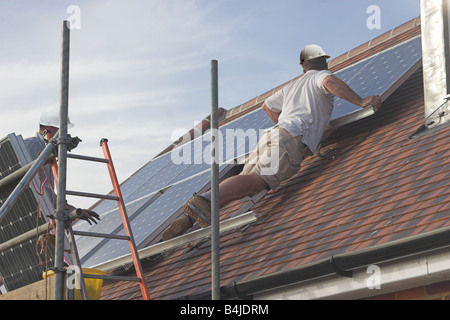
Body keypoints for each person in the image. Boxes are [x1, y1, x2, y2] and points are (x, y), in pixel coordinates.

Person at [161, 44, 382, 241]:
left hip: (274, 135)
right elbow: (330, 81)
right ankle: (205, 200)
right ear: (324, 62)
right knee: (256, 181)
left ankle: (193, 217)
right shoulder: (320, 76)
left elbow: (267, 106)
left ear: (303, 68)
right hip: (289, 138)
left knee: (246, 183)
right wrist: (361, 100)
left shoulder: (294, 85)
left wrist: (284, 125)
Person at [24, 106, 100, 225]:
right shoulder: (31, 146)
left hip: (39, 216)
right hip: (27, 212)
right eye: (63, 130)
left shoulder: (48, 153)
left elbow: (48, 195)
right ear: (51, 129)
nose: (65, 135)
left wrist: (76, 212)